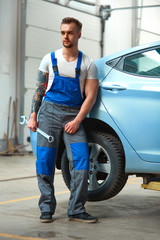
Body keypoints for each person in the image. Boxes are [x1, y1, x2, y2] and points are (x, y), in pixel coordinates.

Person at [28, 17, 99, 223]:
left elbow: (91, 96)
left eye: (69, 32)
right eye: (62, 32)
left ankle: (76, 209)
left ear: (78, 34)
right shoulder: (49, 59)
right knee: (44, 161)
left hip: (74, 115)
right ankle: (46, 209)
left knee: (81, 161)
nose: (65, 36)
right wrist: (34, 116)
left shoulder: (88, 63)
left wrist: (77, 121)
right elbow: (39, 90)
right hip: (49, 113)